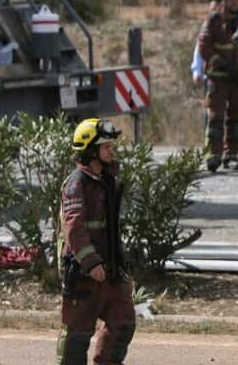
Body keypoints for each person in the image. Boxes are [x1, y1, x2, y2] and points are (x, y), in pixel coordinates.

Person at [58, 118, 135, 365]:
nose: (111, 151)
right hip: (84, 271)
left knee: (123, 324)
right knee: (78, 333)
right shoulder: (76, 184)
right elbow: (73, 227)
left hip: (112, 268)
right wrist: (91, 262)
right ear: (91, 151)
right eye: (106, 147)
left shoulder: (108, 180)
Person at [199, 0, 238, 173]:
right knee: (216, 117)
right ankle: (213, 155)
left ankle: (231, 155)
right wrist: (222, 64)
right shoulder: (215, 20)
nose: (234, 2)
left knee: (237, 118)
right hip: (219, 78)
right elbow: (204, 47)